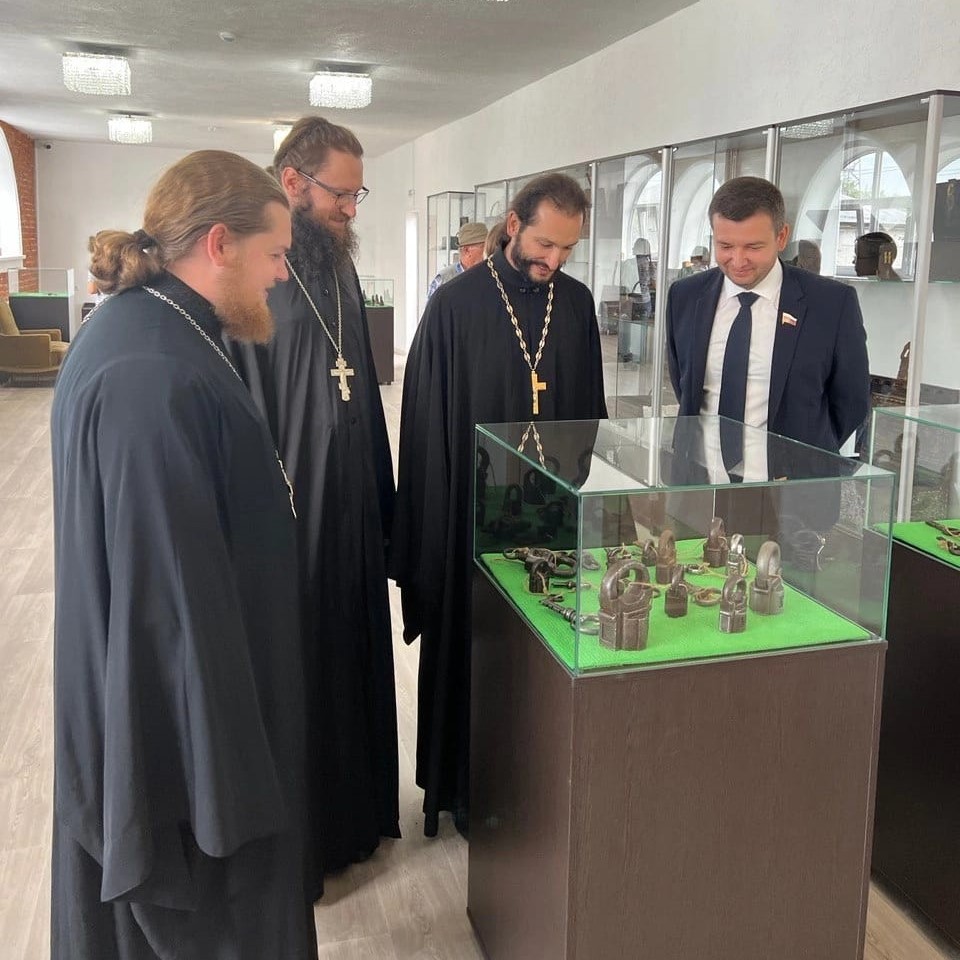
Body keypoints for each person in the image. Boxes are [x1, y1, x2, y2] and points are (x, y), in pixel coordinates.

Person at [50, 151, 318, 960]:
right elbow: (167, 613)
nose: (281, 275)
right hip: (186, 768)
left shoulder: (160, 330)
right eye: (274, 254)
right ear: (219, 243)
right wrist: (221, 804)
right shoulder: (152, 373)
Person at [391, 173, 608, 837]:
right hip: (469, 512)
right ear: (513, 224)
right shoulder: (455, 305)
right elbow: (425, 425)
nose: (554, 260)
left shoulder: (575, 304)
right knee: (475, 648)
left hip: (546, 508)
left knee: (542, 647)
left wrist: (571, 494)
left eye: (567, 249)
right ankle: (465, 788)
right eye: (545, 244)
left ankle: (537, 788)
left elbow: (589, 415)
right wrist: (431, 528)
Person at [230, 116, 399, 899]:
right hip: (293, 512)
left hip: (352, 501)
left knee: (353, 653)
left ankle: (358, 819)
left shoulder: (339, 266)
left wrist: (382, 504)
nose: (351, 208)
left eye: (359, 194)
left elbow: (355, 377)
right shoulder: (255, 270)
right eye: (341, 193)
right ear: (293, 182)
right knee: (304, 670)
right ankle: (310, 841)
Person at [666, 176, 869, 465]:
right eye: (725, 246)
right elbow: (684, 384)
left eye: (753, 247)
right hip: (700, 475)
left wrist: (807, 458)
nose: (738, 261)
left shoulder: (832, 303)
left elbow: (852, 402)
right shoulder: (685, 296)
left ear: (781, 237)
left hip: (795, 482)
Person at [427, 221, 488, 298]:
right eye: (484, 247)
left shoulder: (490, 276)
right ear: (467, 250)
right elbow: (432, 306)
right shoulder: (444, 280)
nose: (489, 251)